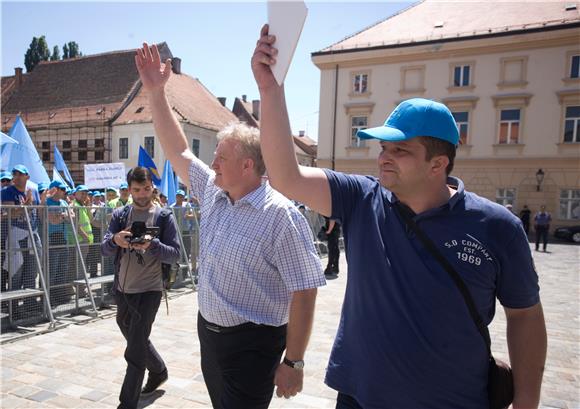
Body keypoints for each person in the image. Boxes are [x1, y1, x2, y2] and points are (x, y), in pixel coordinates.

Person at [251, 26, 547, 409]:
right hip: (360, 397)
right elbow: (285, 176)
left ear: (438, 164)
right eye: (384, 147)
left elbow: (524, 317)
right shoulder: (361, 198)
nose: (383, 158)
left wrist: (527, 403)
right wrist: (270, 90)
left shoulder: (497, 227)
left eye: (400, 150)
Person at [135, 43, 325, 408]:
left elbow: (305, 291)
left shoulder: (281, 216)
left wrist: (294, 361)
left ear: (248, 167)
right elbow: (178, 151)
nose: (213, 164)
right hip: (210, 337)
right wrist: (157, 93)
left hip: (254, 345)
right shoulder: (215, 192)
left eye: (221, 158)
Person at [101, 166, 180, 409]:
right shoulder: (120, 215)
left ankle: (127, 403)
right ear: (129, 190)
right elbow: (104, 248)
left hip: (151, 289)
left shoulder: (164, 216)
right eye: (136, 190)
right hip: (124, 289)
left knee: (135, 348)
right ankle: (158, 370)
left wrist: (152, 245)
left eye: (146, 188)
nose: (142, 194)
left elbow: (175, 254)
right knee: (135, 335)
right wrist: (116, 240)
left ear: (152, 186)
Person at [0, 165, 42, 316]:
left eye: (20, 174)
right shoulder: (7, 191)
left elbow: (38, 211)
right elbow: (11, 213)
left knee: (32, 272)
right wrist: (26, 206)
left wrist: (42, 201)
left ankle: (30, 304)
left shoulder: (34, 191)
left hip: (32, 235)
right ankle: (14, 309)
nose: (16, 176)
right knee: (15, 272)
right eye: (14, 173)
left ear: (27, 176)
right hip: (16, 235)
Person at [44, 180, 74, 306]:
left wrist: (62, 216)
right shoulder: (47, 202)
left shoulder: (63, 202)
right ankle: (49, 297)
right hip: (52, 238)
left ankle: (59, 294)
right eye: (62, 189)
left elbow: (72, 216)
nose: (64, 192)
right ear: (55, 189)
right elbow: (52, 221)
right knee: (52, 270)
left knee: (62, 269)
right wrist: (64, 216)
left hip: (63, 237)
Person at [69, 185, 94, 278]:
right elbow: (75, 224)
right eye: (82, 193)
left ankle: (79, 288)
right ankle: (82, 290)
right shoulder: (75, 205)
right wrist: (85, 237)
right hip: (80, 241)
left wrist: (88, 208)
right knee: (80, 267)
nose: (84, 195)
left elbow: (91, 220)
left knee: (80, 266)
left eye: (86, 193)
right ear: (76, 194)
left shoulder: (82, 206)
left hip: (83, 241)